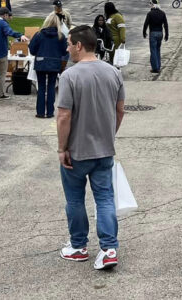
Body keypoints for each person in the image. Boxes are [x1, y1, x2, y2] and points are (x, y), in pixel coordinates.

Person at [56, 25, 126, 270]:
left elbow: (64, 115)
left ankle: (78, 245)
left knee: (75, 199)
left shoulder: (70, 76)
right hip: (104, 149)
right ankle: (109, 248)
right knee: (105, 197)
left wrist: (61, 147)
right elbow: (120, 110)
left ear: (78, 45)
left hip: (77, 150)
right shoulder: (114, 73)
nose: (67, 48)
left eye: (68, 43)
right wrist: (109, 134)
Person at [0, 7, 28, 103]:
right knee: (2, 74)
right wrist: (20, 35)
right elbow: (9, 32)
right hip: (1, 53)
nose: (8, 17)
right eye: (8, 15)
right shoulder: (3, 23)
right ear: (5, 15)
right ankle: (0, 94)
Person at [29, 14, 69, 118]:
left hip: (41, 62)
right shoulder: (61, 36)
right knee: (51, 86)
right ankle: (50, 111)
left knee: (41, 87)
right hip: (55, 62)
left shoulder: (39, 34)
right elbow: (65, 51)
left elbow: (32, 49)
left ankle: (40, 112)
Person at [142, 0, 169, 73]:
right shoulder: (162, 13)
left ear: (152, 5)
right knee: (158, 50)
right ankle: (158, 66)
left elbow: (146, 24)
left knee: (153, 50)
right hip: (160, 33)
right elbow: (165, 25)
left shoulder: (150, 13)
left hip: (153, 33)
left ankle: (155, 68)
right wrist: (167, 34)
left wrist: (144, 32)